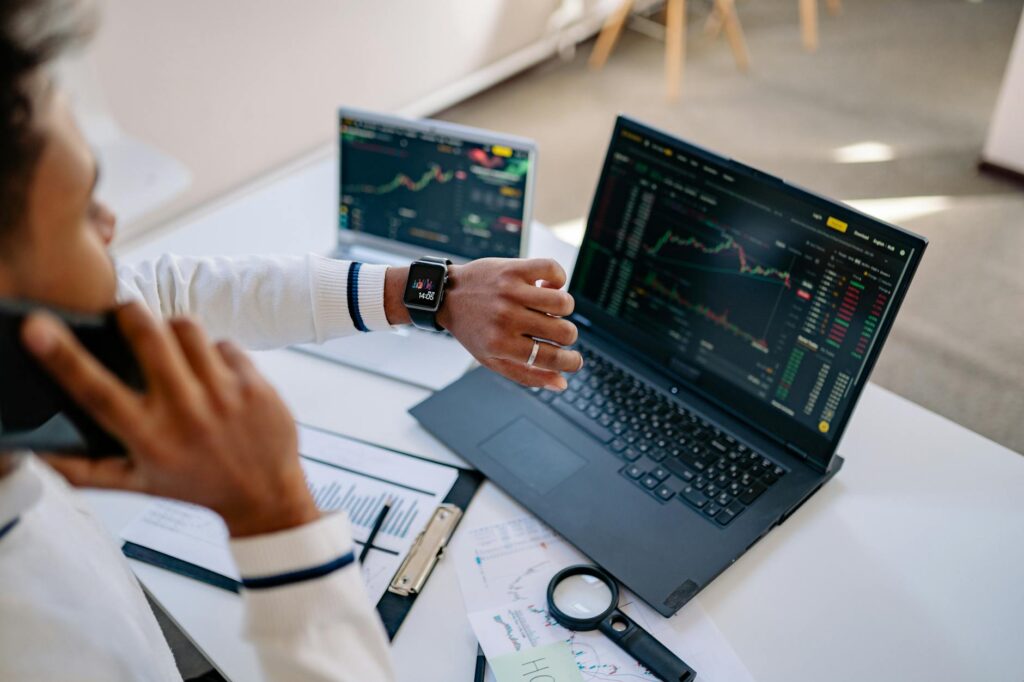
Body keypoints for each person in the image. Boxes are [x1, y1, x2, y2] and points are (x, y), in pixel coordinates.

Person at [0, 1, 582, 680]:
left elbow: (160, 292)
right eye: (80, 210)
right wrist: (274, 516)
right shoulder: (38, 645)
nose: (111, 224)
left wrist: (434, 294)